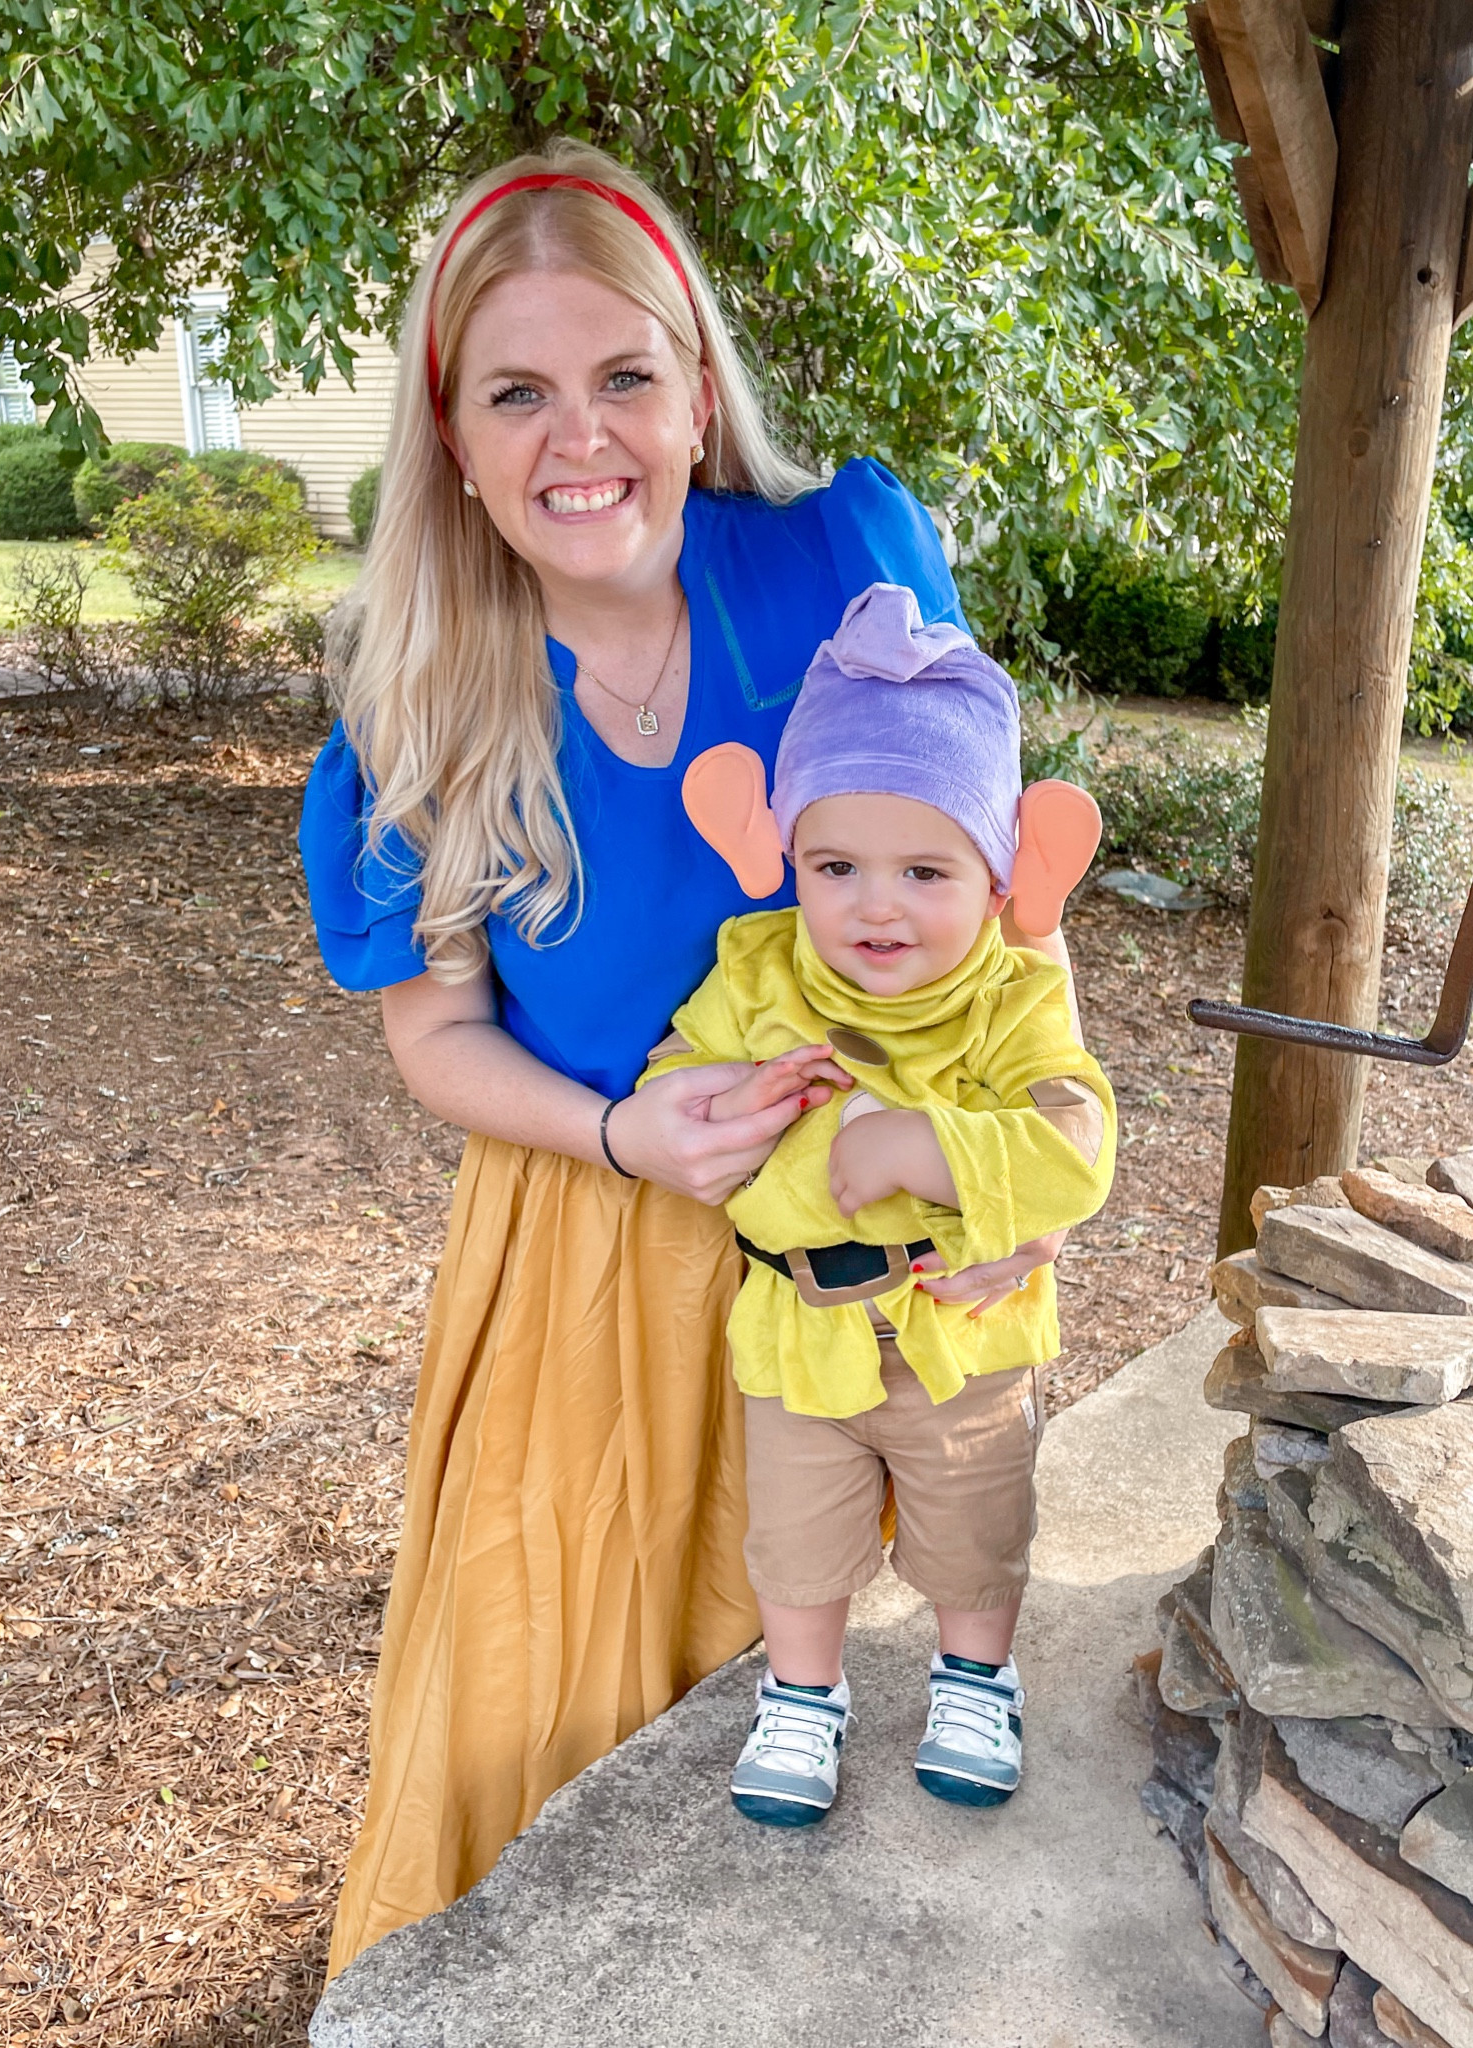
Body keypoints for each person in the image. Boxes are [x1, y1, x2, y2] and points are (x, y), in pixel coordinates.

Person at [298, 137, 1079, 1978]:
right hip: (589, 1239)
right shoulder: (416, 691)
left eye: (624, 377)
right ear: (455, 440)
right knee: (551, 1690)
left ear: (698, 383)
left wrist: (1016, 1170)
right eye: (518, 393)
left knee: (844, 1717)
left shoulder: (843, 557)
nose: (583, 440)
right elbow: (437, 1038)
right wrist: (623, 1132)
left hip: (867, 1210)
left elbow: (999, 900)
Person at [641, 582, 1116, 1825]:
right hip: (804, 1329)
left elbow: (1078, 1139)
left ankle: (976, 1675)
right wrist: (736, 1092)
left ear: (998, 867)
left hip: (961, 1331)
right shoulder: (760, 971)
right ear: (786, 852)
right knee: (796, 1538)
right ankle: (805, 1693)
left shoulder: (1011, 995)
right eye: (834, 864)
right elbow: (673, 1082)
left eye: (924, 867)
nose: (876, 904)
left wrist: (925, 1142)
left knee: (975, 1526)